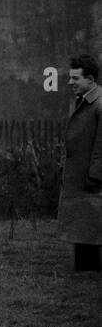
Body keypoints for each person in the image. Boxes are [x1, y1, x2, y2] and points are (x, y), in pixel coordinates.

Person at [59, 52, 102, 273]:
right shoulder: (84, 102)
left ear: (91, 80)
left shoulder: (99, 105)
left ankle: (90, 270)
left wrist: (95, 175)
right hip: (82, 177)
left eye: (75, 78)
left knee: (92, 224)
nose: (70, 82)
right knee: (84, 224)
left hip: (92, 179)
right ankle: (85, 270)